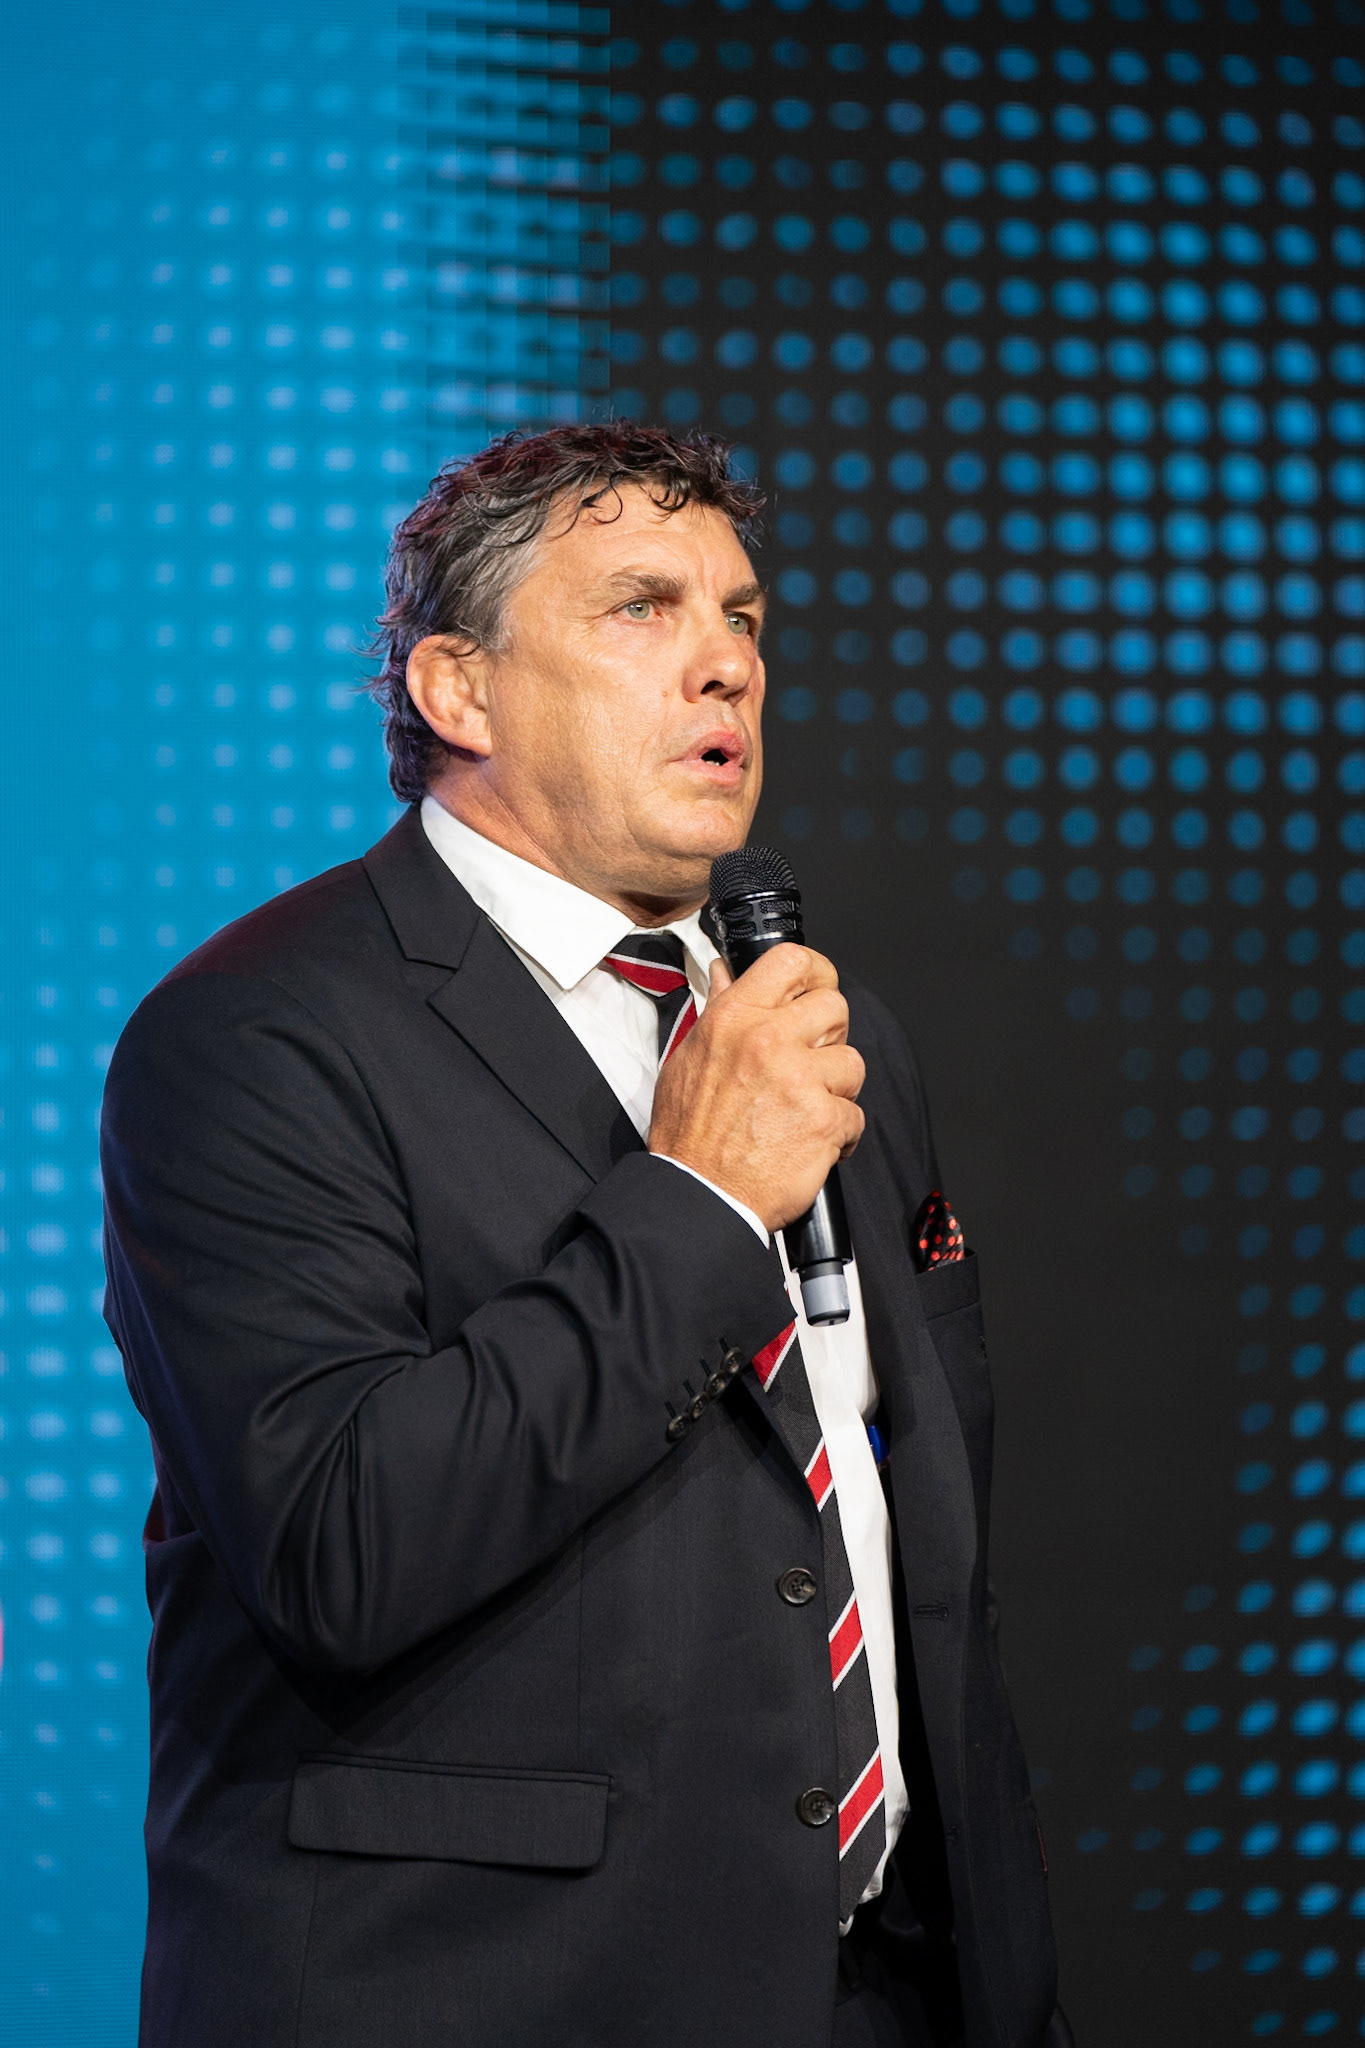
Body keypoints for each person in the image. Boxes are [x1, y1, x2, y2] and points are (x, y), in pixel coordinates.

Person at [101, 423, 1065, 2048]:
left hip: (866, 1990)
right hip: (477, 1993)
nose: (726, 663)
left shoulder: (819, 1033)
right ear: (457, 691)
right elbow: (342, 1547)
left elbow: (917, 1569)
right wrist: (698, 1203)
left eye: (740, 615)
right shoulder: (258, 1034)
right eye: (640, 607)